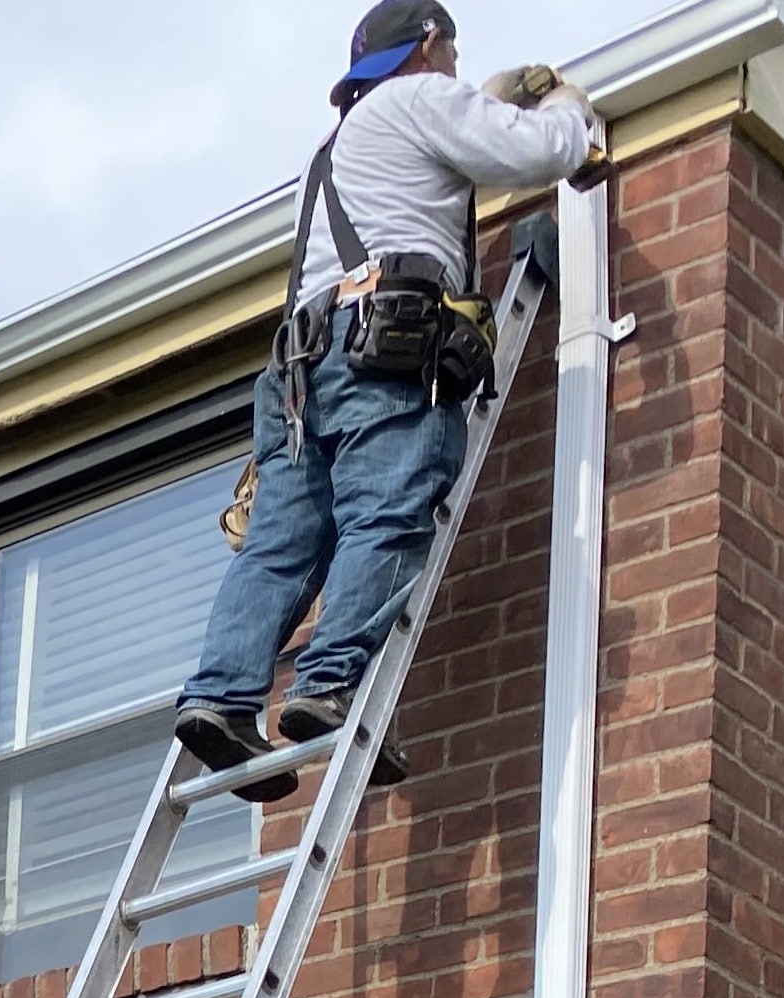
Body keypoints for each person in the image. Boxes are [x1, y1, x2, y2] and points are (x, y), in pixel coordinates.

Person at [174, 0, 594, 801]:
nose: (457, 70)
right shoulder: (420, 97)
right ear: (429, 44)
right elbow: (539, 151)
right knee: (388, 511)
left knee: (282, 546)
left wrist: (487, 100)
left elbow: (447, 151)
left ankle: (221, 697)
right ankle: (328, 685)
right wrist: (571, 110)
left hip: (300, 366)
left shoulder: (337, 145)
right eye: (452, 53)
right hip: (383, 346)